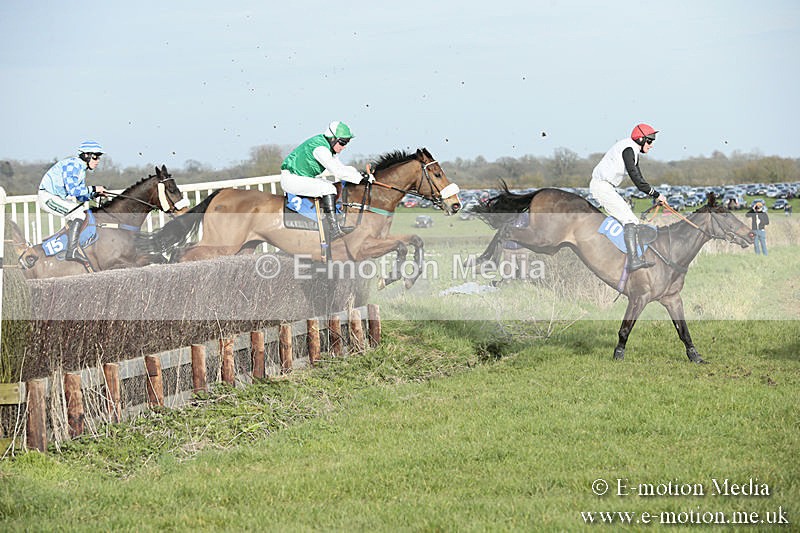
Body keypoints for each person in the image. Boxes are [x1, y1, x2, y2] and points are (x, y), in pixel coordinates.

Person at [590, 123, 667, 271]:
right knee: (630, 220)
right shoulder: (628, 150)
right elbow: (637, 180)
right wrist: (657, 195)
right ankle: (633, 261)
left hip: (606, 187)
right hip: (602, 186)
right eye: (649, 141)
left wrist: (655, 195)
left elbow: (640, 178)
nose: (651, 145)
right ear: (640, 139)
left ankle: (627, 257)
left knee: (632, 221)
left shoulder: (632, 149)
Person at [280, 121, 367, 240]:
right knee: (329, 188)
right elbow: (338, 171)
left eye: (346, 143)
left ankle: (333, 223)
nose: (344, 146)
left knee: (333, 186)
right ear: (333, 139)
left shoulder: (327, 147)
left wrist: (359, 174)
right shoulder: (321, 149)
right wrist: (360, 179)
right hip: (292, 179)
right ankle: (333, 229)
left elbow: (342, 167)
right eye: (342, 143)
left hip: (300, 178)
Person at [38, 140, 108, 261]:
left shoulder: (81, 169)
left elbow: (80, 196)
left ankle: (72, 247)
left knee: (81, 212)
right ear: (87, 156)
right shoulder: (73, 164)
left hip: (56, 197)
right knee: (78, 214)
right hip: (48, 197)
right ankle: (71, 251)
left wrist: (94, 194)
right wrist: (95, 188)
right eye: (96, 157)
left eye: (99, 158)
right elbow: (73, 191)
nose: (98, 161)